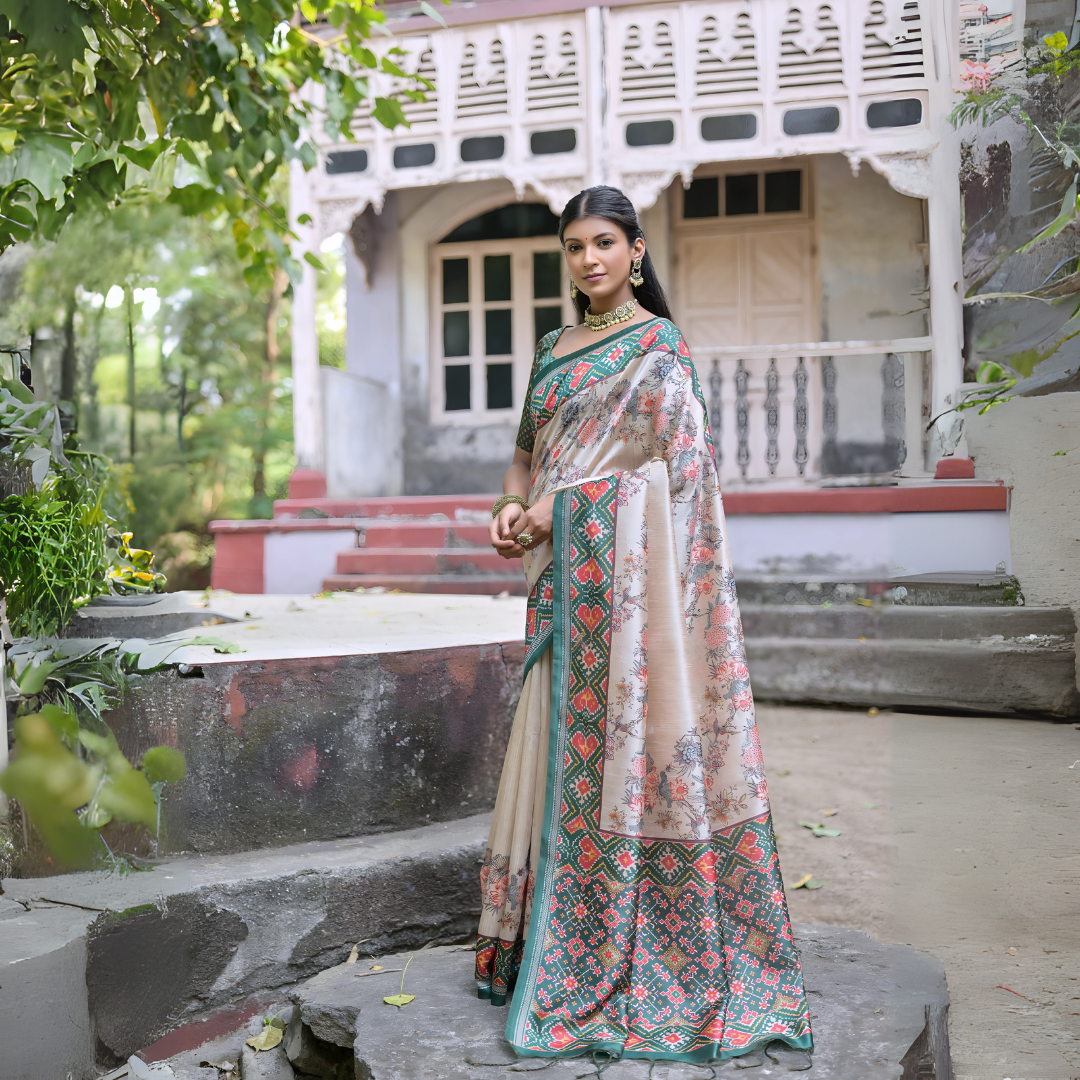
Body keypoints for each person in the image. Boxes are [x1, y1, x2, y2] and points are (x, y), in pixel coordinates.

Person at [475, 185, 812, 1066]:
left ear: (636, 252)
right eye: (575, 247)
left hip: (619, 588)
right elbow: (525, 453)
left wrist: (566, 508)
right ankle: (535, 942)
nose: (588, 260)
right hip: (560, 581)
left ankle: (624, 937)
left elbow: (683, 479)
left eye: (603, 244)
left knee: (614, 752)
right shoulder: (554, 349)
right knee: (551, 745)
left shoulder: (659, 351)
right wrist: (511, 509)